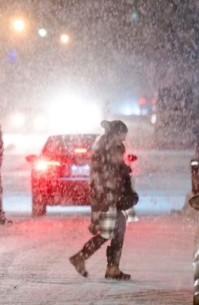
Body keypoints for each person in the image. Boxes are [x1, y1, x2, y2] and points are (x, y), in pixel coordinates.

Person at [69, 119, 133, 280]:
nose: (124, 139)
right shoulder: (106, 147)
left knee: (119, 227)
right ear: (115, 133)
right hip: (106, 196)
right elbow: (102, 174)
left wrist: (122, 172)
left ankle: (112, 267)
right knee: (108, 232)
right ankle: (82, 258)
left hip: (112, 195)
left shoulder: (112, 146)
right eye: (122, 135)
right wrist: (120, 173)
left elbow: (112, 170)